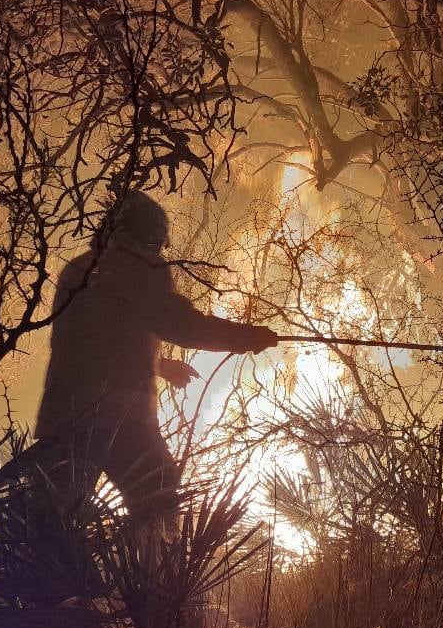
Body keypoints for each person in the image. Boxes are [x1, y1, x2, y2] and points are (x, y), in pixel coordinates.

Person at [35, 190, 277, 525]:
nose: (163, 251)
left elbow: (93, 342)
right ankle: (148, 574)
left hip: (60, 416)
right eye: (161, 242)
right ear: (150, 234)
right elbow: (179, 324)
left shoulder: (77, 269)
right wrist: (246, 337)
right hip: (119, 416)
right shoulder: (138, 265)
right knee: (158, 495)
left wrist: (160, 366)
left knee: (52, 522)